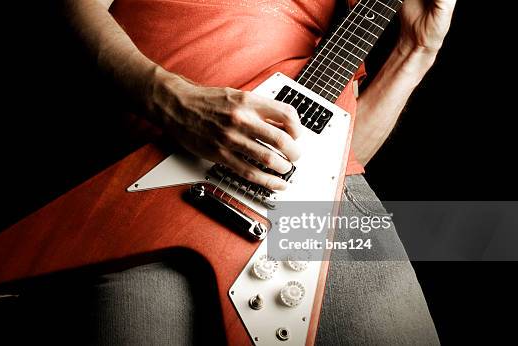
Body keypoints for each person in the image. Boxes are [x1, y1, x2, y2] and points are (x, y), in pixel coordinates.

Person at [58, 0, 456, 344]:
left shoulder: (349, 15)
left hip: (314, 215)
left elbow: (340, 161)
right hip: (147, 188)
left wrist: (416, 50)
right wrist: (173, 100)